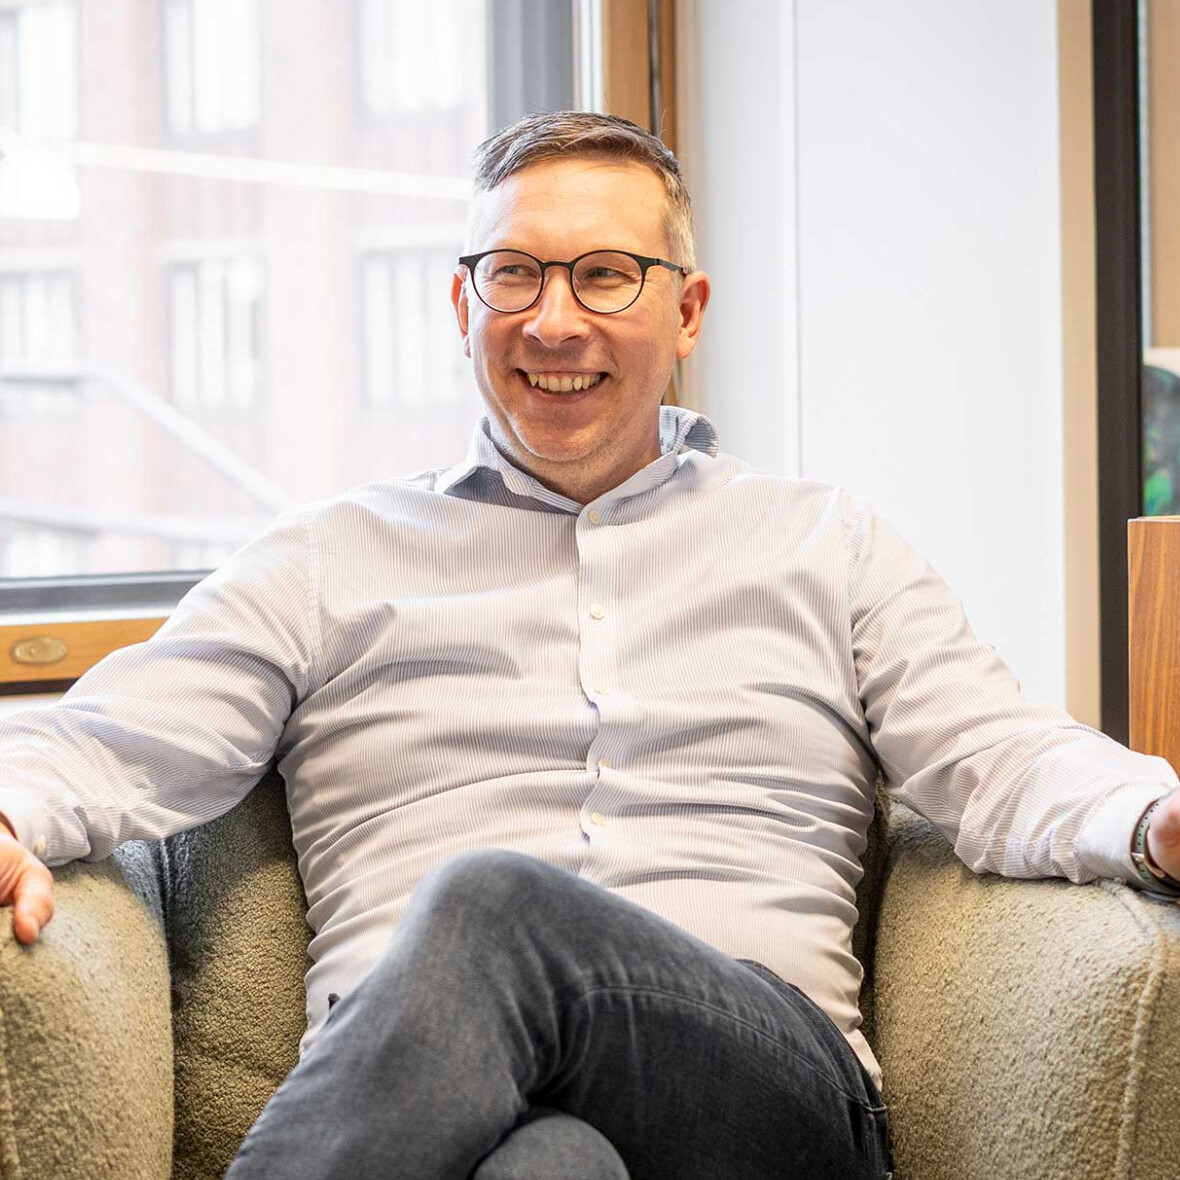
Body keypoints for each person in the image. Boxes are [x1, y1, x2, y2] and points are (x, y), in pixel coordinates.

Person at [1, 110, 1179, 1180]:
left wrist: (1153, 816)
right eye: (514, 273)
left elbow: (997, 755)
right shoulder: (324, 561)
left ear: (686, 310)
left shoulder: (827, 545)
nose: (553, 320)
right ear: (462, 305)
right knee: (550, 1166)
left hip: (760, 1099)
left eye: (605, 275)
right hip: (432, 1110)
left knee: (494, 907)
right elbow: (110, 741)